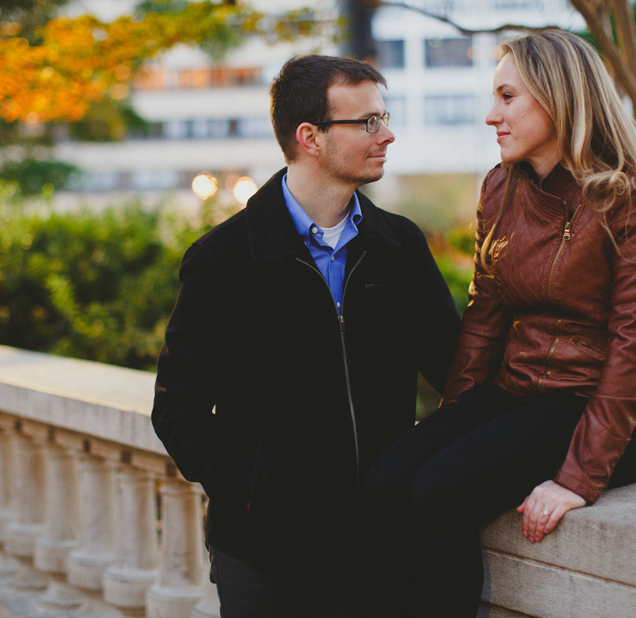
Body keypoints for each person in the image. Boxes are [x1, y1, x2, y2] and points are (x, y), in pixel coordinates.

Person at [363, 29, 636, 617]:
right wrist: (457, 423)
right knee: (385, 480)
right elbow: (484, 319)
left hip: (608, 406)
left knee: (441, 489)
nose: (491, 115)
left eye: (507, 97)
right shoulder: (502, 186)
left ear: (559, 98)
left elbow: (633, 348)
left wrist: (577, 478)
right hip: (521, 392)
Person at [151, 54, 461, 617]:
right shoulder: (224, 261)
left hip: (378, 547)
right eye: (366, 122)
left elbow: (459, 375)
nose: (386, 134)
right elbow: (179, 412)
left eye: (383, 117)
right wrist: (257, 494)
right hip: (265, 554)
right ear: (310, 137)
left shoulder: (400, 247)